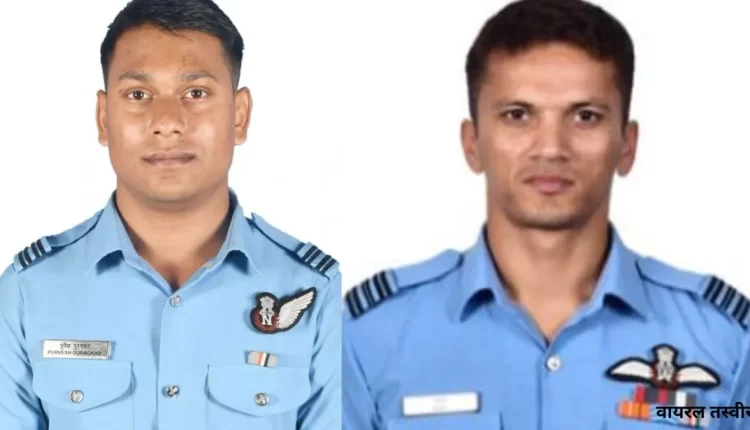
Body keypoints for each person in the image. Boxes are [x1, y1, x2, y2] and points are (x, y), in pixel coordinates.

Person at [342, 0, 747, 429]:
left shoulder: (727, 342)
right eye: (517, 115)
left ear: (627, 146)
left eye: (585, 116)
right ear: (472, 143)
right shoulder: (367, 338)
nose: (551, 148)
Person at [0, 1, 341, 429]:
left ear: (239, 116)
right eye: (138, 95)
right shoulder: (30, 293)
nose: (166, 122)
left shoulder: (316, 291)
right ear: (103, 118)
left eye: (195, 93)